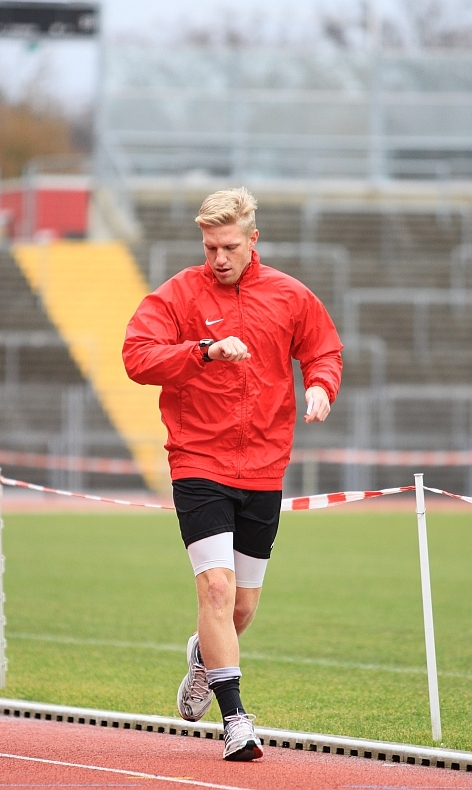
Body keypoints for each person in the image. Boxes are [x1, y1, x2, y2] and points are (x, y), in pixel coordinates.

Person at [123, 187, 343, 762]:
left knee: (241, 607)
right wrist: (202, 351)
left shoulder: (290, 295)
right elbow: (136, 356)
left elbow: (323, 350)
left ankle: (204, 657)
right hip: (198, 460)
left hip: (265, 467)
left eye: (228, 247)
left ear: (252, 239)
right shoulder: (177, 294)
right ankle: (236, 720)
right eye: (209, 248)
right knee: (216, 589)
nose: (218, 258)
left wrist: (321, 387)